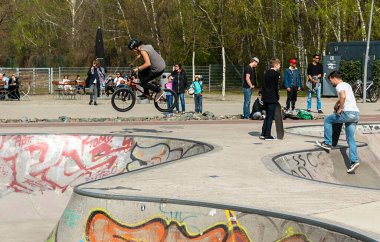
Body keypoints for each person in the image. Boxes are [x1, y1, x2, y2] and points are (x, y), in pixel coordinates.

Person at [316, 71, 360, 173]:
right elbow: (346, 97)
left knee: (327, 120)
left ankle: (327, 143)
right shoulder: (347, 85)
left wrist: (340, 108)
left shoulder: (339, 85)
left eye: (331, 80)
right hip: (356, 114)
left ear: (333, 78)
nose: (331, 82)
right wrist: (338, 103)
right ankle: (354, 161)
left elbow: (343, 96)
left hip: (347, 113)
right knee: (350, 139)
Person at [260, 58, 281, 140]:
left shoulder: (266, 73)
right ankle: (267, 135)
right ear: (275, 64)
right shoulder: (276, 74)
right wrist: (277, 96)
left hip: (265, 97)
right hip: (272, 97)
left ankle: (263, 133)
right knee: (270, 116)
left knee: (267, 116)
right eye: (279, 64)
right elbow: (276, 86)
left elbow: (264, 86)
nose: (280, 66)